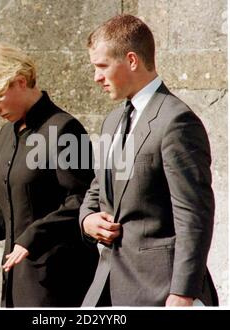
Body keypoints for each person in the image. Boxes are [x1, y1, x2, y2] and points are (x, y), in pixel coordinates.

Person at [79, 14, 218, 307]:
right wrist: (87, 219)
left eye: (102, 66)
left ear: (131, 60)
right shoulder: (112, 120)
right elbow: (97, 188)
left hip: (160, 292)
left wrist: (182, 293)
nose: (96, 77)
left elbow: (194, 215)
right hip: (106, 288)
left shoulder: (177, 121)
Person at [0, 42, 98, 307]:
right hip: (15, 280)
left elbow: (82, 200)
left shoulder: (65, 129)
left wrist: (32, 236)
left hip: (57, 282)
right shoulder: (6, 133)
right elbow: (12, 206)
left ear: (20, 81)